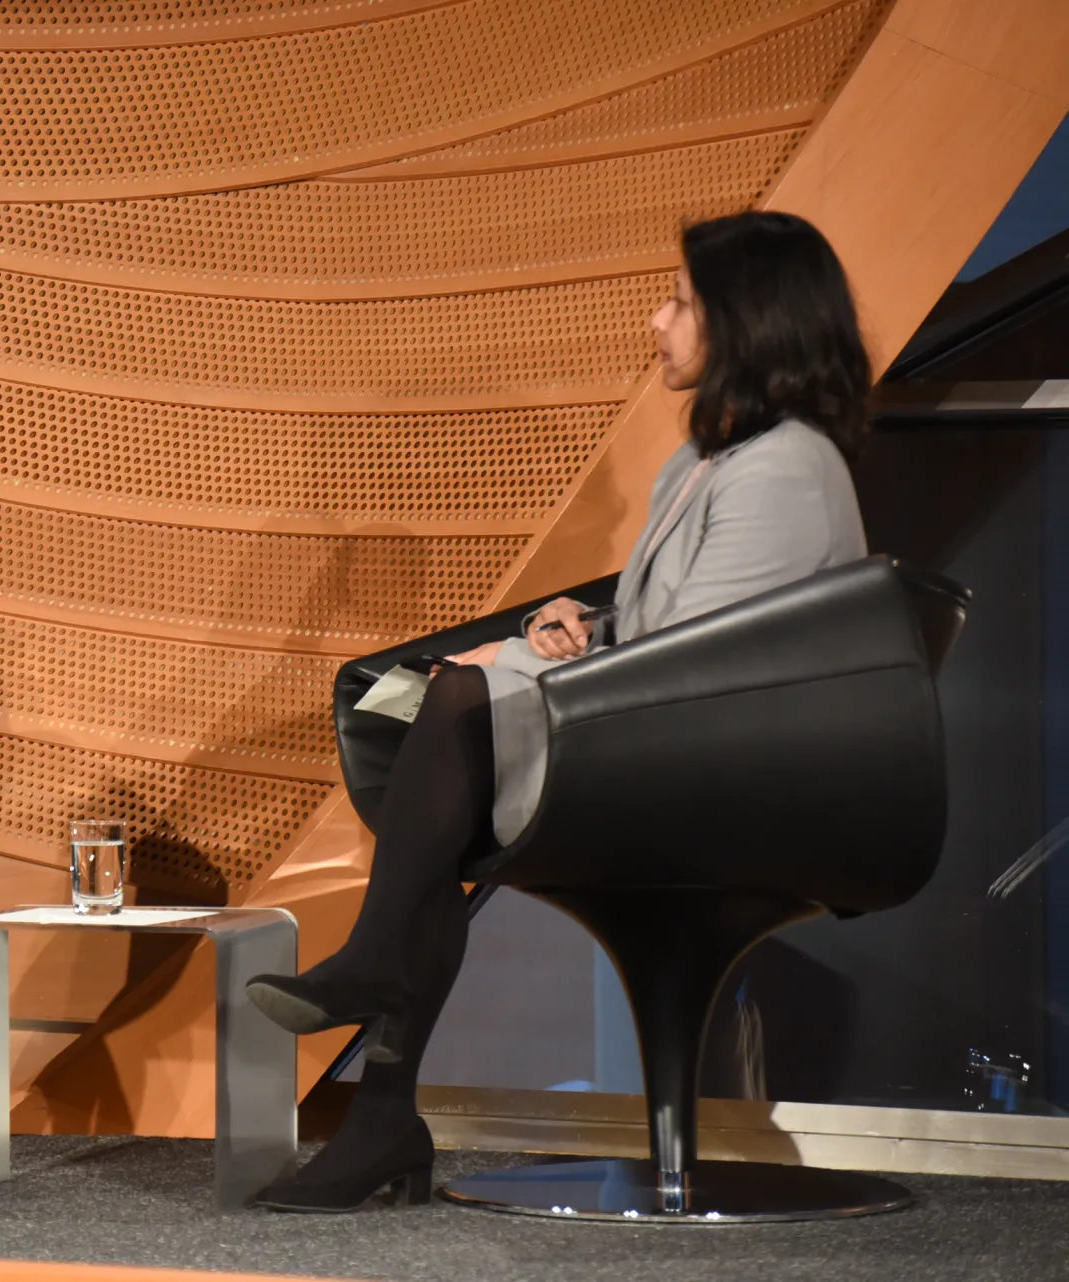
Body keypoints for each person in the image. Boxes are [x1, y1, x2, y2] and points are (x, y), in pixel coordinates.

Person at [245, 210, 872, 1212]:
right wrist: (573, 628)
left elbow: (705, 674)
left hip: (742, 784)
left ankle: (374, 1023)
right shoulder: (706, 462)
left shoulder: (789, 468)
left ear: (747, 325)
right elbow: (677, 630)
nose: (655, 319)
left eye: (679, 301)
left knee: (459, 695)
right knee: (443, 767)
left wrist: (527, 661)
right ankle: (381, 1117)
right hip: (680, 746)